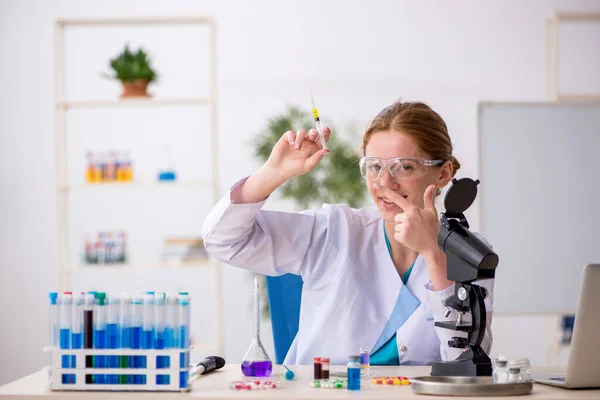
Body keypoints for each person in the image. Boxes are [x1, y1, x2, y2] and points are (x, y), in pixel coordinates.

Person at [202, 100, 494, 365]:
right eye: (374, 166)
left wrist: (434, 252)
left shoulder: (469, 252)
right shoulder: (335, 230)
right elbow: (223, 240)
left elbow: (465, 362)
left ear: (443, 173)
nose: (384, 182)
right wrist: (273, 173)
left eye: (404, 167)